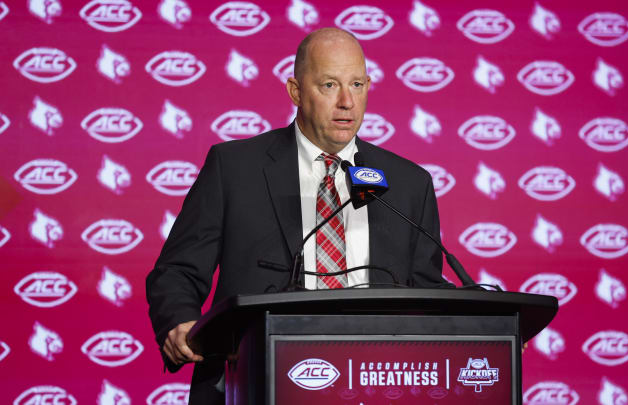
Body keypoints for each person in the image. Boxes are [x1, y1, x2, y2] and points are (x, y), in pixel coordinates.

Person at [146, 27, 447, 404]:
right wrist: (178, 321)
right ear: (295, 91)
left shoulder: (406, 183)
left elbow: (427, 290)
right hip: (256, 378)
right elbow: (177, 270)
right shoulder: (236, 168)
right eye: (329, 85)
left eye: (357, 84)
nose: (347, 102)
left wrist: (492, 330)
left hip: (374, 384)